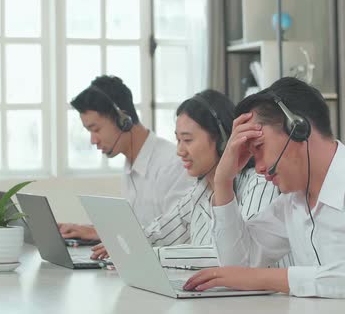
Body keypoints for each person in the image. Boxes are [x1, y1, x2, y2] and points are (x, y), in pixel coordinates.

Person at [183, 77, 345, 310]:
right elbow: (238, 264)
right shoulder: (292, 201)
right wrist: (224, 181)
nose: (258, 167)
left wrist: (265, 278)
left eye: (259, 148)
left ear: (298, 128)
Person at [90, 90, 279, 263]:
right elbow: (160, 232)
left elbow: (231, 255)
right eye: (178, 140)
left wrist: (149, 255)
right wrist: (124, 245)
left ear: (222, 141)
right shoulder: (200, 192)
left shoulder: (259, 183)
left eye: (187, 140)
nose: (179, 151)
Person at [58, 75, 193, 241]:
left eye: (96, 129)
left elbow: (178, 234)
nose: (93, 140)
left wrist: (102, 234)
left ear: (123, 120)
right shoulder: (131, 164)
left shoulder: (173, 163)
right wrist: (88, 230)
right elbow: (138, 227)